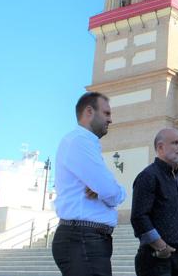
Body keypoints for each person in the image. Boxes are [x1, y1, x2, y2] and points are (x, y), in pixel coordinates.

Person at [52, 92, 126, 276]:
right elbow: (111, 191)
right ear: (89, 112)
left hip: (85, 238)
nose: (111, 120)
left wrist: (106, 191)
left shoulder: (83, 143)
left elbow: (107, 190)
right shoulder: (80, 141)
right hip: (82, 238)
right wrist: (112, 192)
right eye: (107, 113)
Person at [130, 128, 178, 276]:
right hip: (156, 260)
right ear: (160, 147)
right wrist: (161, 247)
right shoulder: (148, 176)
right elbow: (139, 217)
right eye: (175, 143)